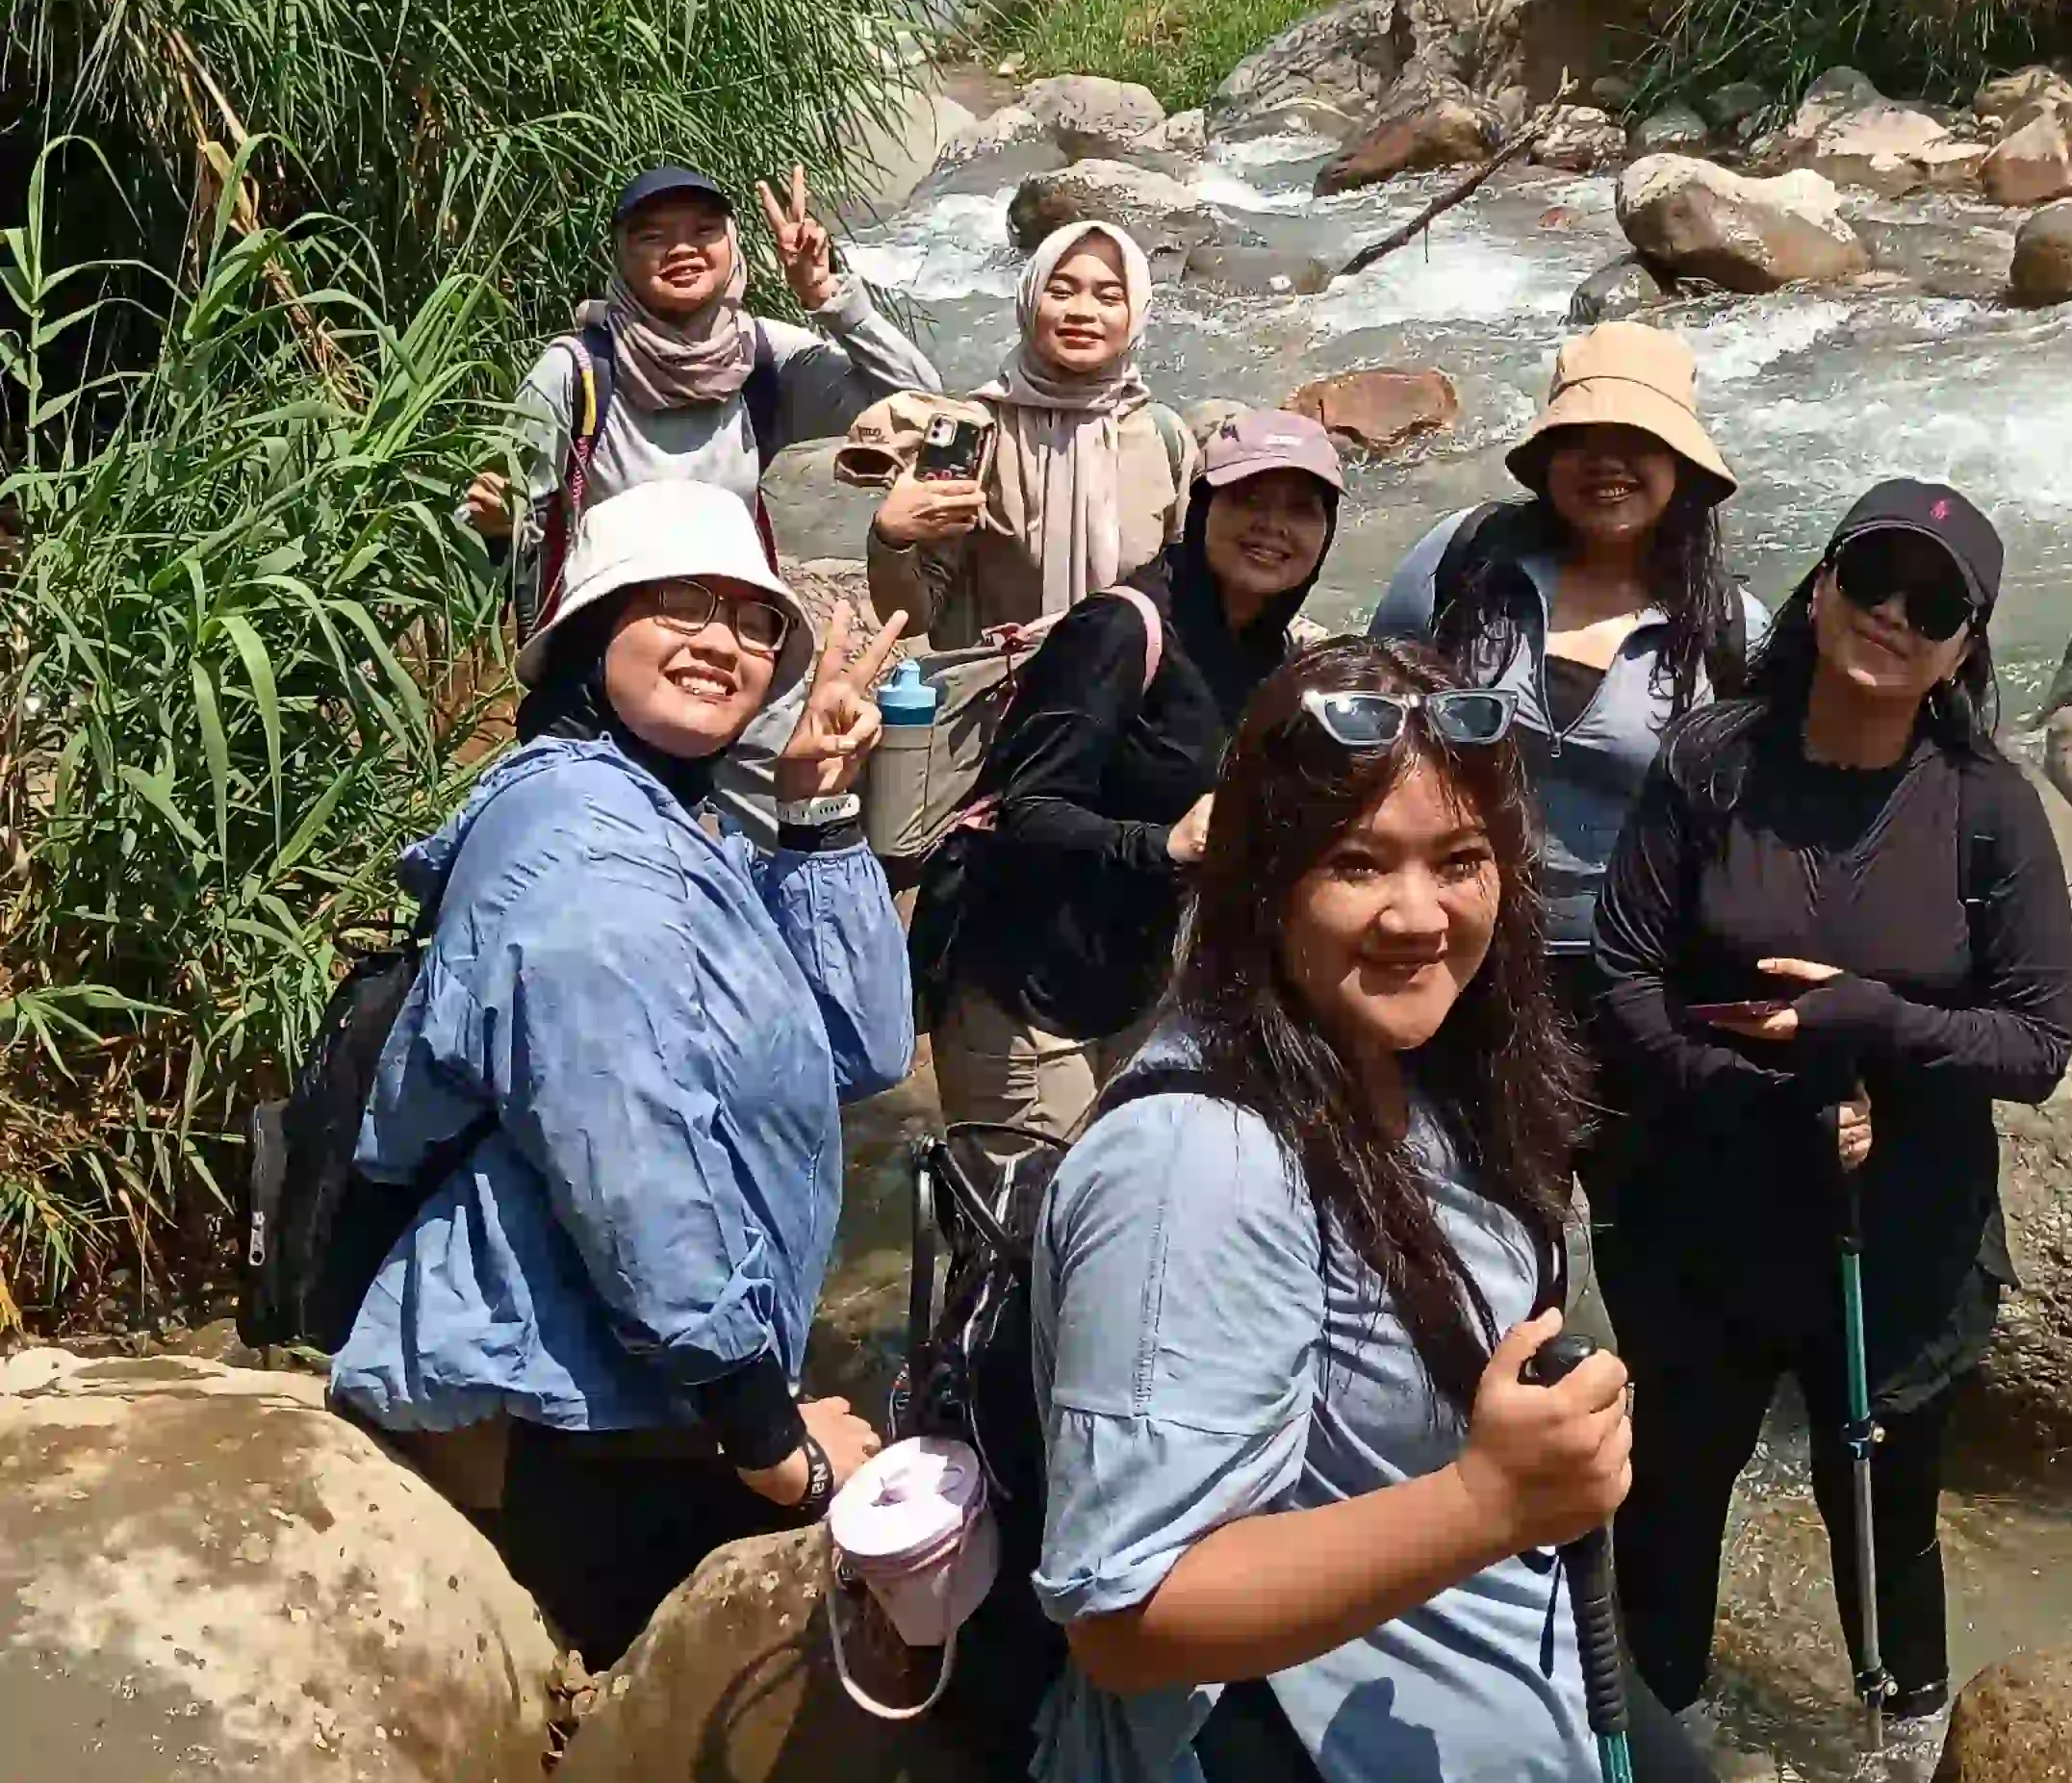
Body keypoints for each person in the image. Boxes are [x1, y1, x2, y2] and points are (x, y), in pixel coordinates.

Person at [1030, 639, 1928, 1783]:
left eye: (1458, 860)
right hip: (1317, 1758)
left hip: (1506, 1651)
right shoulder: (1197, 1164)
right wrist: (1486, 1506)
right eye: (1356, 864)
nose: (1417, 914)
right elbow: (1128, 1615)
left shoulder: (1434, 1068)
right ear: (1262, 880)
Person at [328, 480, 917, 1667]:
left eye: (753, 621)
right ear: (592, 633)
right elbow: (634, 1172)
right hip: (557, 1419)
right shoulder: (584, 852)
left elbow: (859, 1048)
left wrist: (815, 814)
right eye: (678, 604)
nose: (722, 643)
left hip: (635, 1386)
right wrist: (771, 1442)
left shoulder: (672, 822)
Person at [1589, 480, 2072, 1754]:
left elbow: (2037, 1046)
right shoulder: (1711, 762)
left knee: (1883, 1495)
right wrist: (1757, 1090)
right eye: (1874, 579)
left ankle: (1900, 1755)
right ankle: (1660, 1743)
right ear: (1821, 588)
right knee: (1675, 1483)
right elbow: (1623, 980)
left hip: (1900, 1229)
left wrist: (1873, 1023)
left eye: (1936, 604)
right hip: (1702, 1208)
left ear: (1966, 648)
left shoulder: (1988, 808)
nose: (1895, 616)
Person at [465, 160, 939, 831]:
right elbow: (498, 518)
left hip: (739, 650)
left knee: (783, 836)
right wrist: (498, 531)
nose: (682, 249)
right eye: (653, 236)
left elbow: (916, 403)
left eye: (703, 230)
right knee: (603, 844)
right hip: (612, 667)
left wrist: (827, 293)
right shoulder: (576, 371)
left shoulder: (759, 357)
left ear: (732, 244)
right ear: (620, 256)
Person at [920, 406, 1343, 1158]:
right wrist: (1164, 844)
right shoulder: (1122, 630)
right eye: (1250, 499)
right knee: (1026, 1220)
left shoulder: (1273, 656)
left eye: (1301, 509)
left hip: (1140, 986)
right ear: (1203, 506)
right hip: (1027, 996)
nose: (1273, 527)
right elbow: (1025, 810)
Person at [1370, 322, 1760, 1038]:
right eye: (1581, 438)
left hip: (1639, 974)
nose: (1606, 462)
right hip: (1448, 943)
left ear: (1680, 462)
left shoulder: (1730, 628)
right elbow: (1374, 708)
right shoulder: (1466, 562)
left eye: (1636, 439)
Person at [864, 219, 1190, 661]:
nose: (1082, 311)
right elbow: (911, 617)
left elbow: (1188, 594)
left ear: (1136, 312)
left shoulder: (1164, 437)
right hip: (1002, 692)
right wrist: (892, 540)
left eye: (1109, 297)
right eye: (1061, 292)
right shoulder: (973, 433)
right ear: (1029, 300)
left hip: (1127, 691)